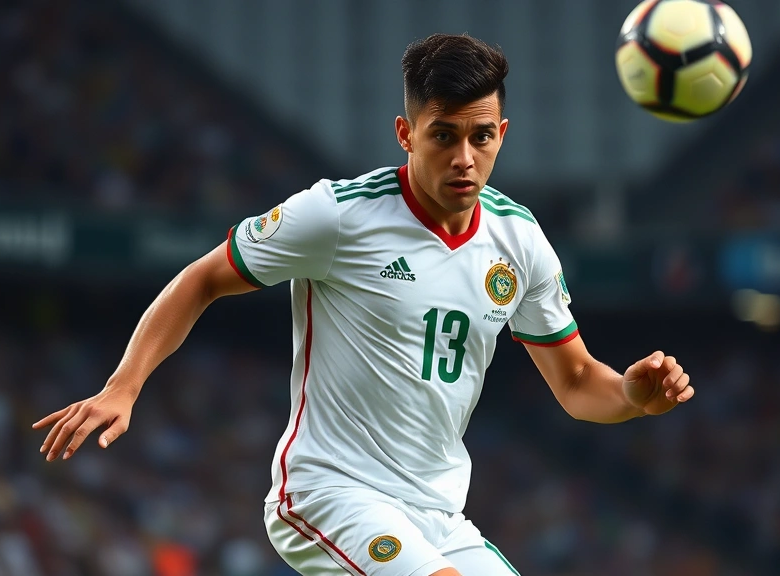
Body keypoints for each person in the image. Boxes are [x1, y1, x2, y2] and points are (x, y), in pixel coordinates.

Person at [34, 33, 695, 576]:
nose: (465, 157)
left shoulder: (518, 242)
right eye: (444, 136)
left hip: (438, 513)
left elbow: (577, 381)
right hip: (329, 491)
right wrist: (124, 386)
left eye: (482, 136)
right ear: (406, 133)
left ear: (503, 132)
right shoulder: (338, 217)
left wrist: (633, 396)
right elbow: (203, 278)